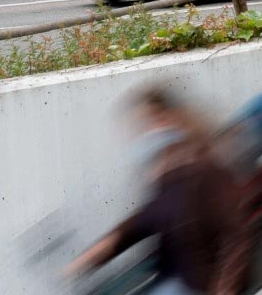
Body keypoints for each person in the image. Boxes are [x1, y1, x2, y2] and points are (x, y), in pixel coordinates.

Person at [66, 88, 247, 295]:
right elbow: (149, 217)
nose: (144, 133)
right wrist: (101, 249)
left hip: (196, 285)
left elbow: (235, 235)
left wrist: (224, 291)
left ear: (171, 119)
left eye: (149, 123)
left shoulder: (205, 169)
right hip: (172, 281)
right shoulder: (168, 175)